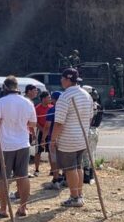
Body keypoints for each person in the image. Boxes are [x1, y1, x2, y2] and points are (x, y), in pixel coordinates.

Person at [0, 76, 37, 218]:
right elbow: (33, 124)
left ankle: (3, 209)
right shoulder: (27, 102)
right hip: (23, 143)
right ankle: (23, 208)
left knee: (3, 178)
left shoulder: (1, 101)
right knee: (23, 176)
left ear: (5, 87)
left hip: (5, 145)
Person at [50, 68, 93, 208]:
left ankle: (74, 197)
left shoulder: (65, 97)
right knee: (78, 166)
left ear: (67, 80)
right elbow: (90, 116)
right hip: (82, 137)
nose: (61, 81)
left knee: (70, 169)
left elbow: (59, 122)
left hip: (68, 139)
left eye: (62, 78)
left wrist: (53, 139)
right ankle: (79, 194)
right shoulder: (86, 95)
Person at [44, 91, 64, 189]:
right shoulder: (66, 109)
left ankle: (56, 179)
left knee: (54, 159)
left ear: (55, 100)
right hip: (64, 138)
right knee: (65, 158)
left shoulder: (52, 110)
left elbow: (47, 126)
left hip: (53, 137)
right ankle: (66, 178)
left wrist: (43, 138)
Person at [33, 91, 53, 177]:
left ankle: (52, 169)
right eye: (48, 97)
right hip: (40, 131)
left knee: (51, 151)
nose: (50, 99)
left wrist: (48, 131)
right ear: (43, 99)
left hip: (50, 132)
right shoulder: (37, 108)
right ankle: (37, 169)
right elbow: (35, 121)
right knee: (38, 151)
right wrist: (43, 130)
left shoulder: (52, 107)